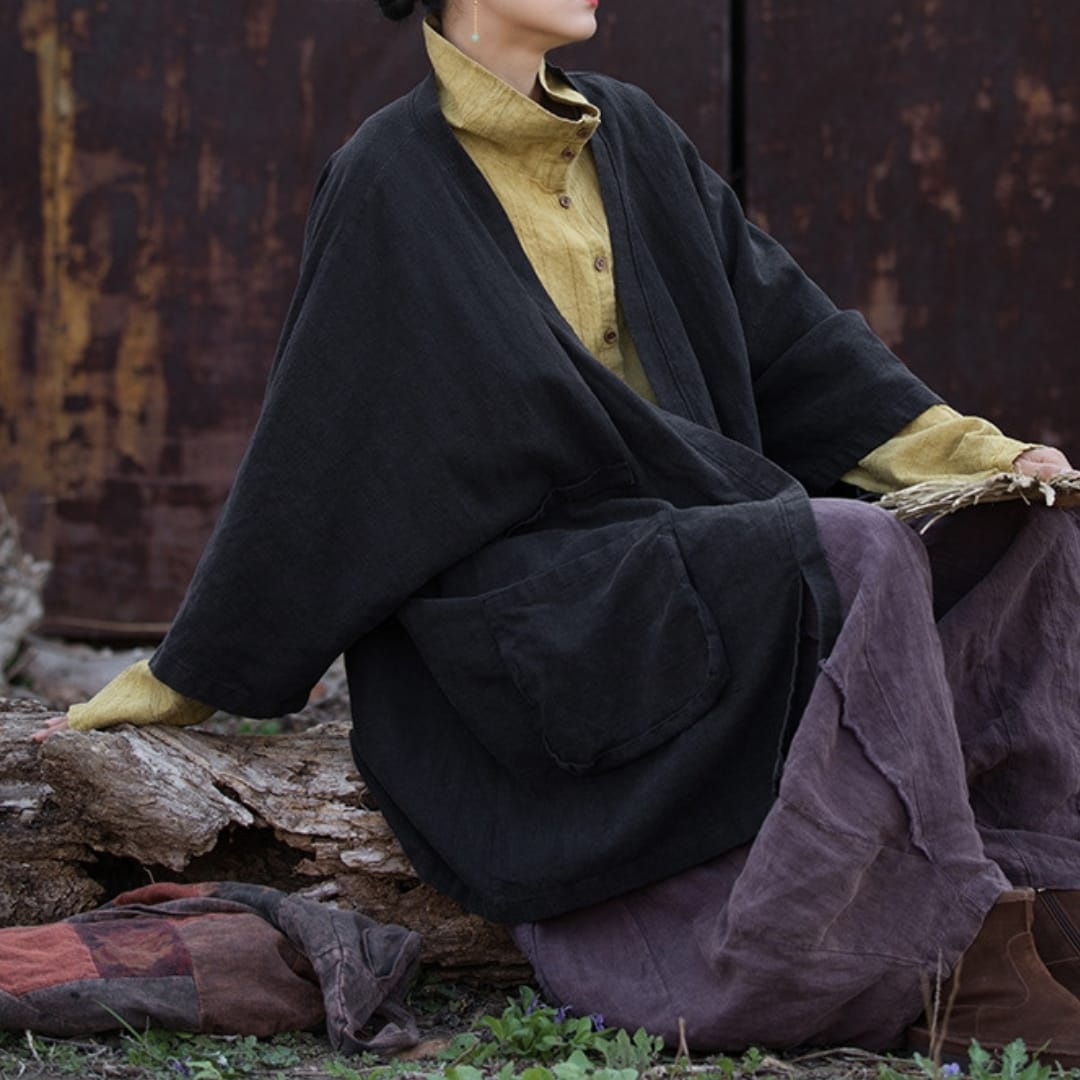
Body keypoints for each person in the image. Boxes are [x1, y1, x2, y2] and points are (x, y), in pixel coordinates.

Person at [34, 0, 1080, 1063]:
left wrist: (977, 456)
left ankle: (1040, 898)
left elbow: (796, 341)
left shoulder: (633, 132)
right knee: (854, 547)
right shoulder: (390, 175)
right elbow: (316, 446)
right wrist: (175, 678)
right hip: (530, 597)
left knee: (1023, 530)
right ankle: (950, 954)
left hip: (692, 529)